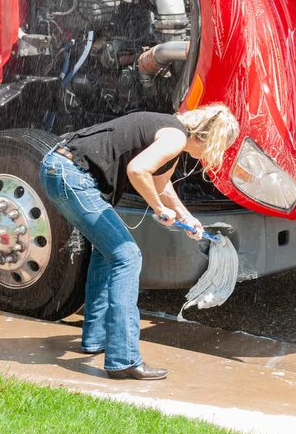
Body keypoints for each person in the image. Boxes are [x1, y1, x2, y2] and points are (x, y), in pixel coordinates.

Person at [39, 104, 239, 380]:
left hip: (58, 167)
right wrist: (158, 209)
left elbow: (160, 185)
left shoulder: (169, 132)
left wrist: (186, 216)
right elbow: (137, 170)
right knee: (127, 256)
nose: (213, 155)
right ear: (212, 138)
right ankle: (123, 360)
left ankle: (95, 339)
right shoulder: (175, 137)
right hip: (72, 175)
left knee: (107, 252)